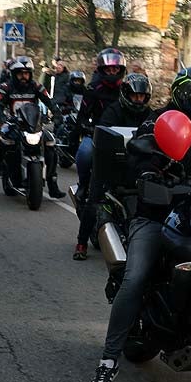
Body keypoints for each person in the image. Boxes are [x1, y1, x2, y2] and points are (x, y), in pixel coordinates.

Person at [89, 66, 191, 382]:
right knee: (135, 277)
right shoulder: (160, 121)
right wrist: (150, 175)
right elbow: (141, 152)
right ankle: (108, 361)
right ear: (184, 99)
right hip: (159, 212)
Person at [73, 73, 153, 261]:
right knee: (95, 200)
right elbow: (102, 132)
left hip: (139, 163)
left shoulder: (150, 114)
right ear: (126, 94)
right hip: (111, 161)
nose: (139, 100)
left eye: (142, 96)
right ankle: (81, 243)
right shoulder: (113, 111)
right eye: (135, 96)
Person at [0, 57, 66, 199]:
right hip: (13, 123)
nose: (24, 77)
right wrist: (0, 116)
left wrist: (57, 114)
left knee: (51, 144)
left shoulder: (36, 86)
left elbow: (49, 101)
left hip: (34, 125)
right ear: (14, 74)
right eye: (20, 73)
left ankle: (53, 184)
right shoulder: (6, 87)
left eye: (26, 73)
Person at [74, 48, 126, 209]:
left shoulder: (127, 89)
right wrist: (87, 128)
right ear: (102, 70)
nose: (112, 72)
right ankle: (83, 184)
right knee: (85, 153)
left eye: (115, 69)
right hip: (98, 133)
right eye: (108, 69)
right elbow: (82, 115)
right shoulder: (92, 89)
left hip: (125, 135)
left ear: (121, 70)